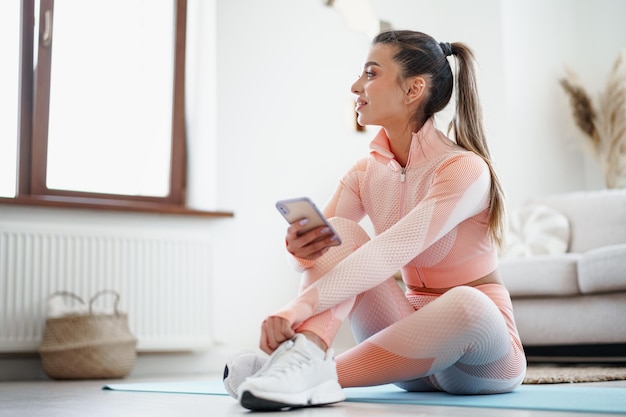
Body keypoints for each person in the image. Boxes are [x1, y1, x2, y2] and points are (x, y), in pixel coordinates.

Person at [223, 29, 526, 411]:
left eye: (370, 73)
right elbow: (324, 255)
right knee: (341, 234)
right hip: (407, 346)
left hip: (478, 356)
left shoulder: (464, 169)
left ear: (413, 90)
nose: (355, 86)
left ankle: (302, 370)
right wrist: (299, 252)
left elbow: (390, 252)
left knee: (468, 303)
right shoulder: (364, 173)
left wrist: (295, 311)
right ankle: (305, 358)